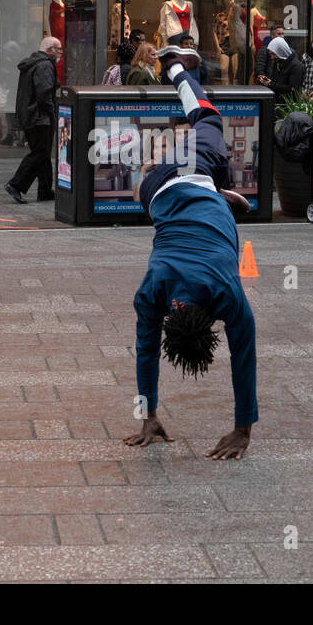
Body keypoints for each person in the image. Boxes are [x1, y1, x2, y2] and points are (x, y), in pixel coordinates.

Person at [124, 45, 257, 460]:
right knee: (151, 179)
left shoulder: (226, 295)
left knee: (207, 118)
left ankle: (175, 67)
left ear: (210, 326)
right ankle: (175, 72)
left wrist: (243, 429)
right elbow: (145, 345)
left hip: (190, 176)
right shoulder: (154, 292)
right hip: (156, 196)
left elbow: (244, 354)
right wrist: (147, 412)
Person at [5, 36, 62, 204]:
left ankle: (44, 190)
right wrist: (53, 112)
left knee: (42, 153)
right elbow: (44, 93)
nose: (60, 52)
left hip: (32, 116)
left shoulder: (34, 63)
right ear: (50, 49)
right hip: (40, 117)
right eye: (58, 49)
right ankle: (16, 184)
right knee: (40, 153)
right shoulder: (44, 65)